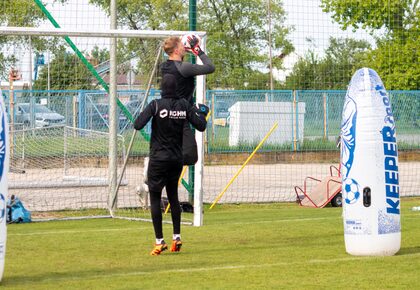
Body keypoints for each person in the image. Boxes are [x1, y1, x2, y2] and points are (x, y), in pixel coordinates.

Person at [134, 74, 209, 256]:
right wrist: (202, 113)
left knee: (154, 198)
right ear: (177, 89)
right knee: (173, 197)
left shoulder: (156, 105)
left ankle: (159, 241)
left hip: (158, 159)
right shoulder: (184, 106)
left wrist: (149, 114)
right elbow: (201, 126)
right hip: (176, 159)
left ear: (162, 89)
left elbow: (137, 124)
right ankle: (177, 237)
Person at [160, 35, 215, 165]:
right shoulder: (184, 68)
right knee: (189, 155)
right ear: (176, 50)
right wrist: (198, 51)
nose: (184, 47)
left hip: (166, 114)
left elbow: (177, 66)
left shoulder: (164, 66)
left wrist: (187, 49)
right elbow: (210, 67)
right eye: (181, 45)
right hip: (180, 114)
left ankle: (158, 167)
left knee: (174, 153)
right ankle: (155, 165)